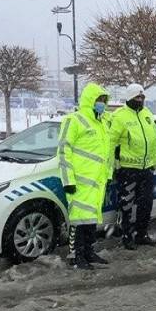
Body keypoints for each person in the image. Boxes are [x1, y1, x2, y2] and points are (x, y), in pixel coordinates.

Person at [57, 83, 113, 269]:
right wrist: (68, 180)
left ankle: (88, 252)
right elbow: (63, 151)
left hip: (97, 183)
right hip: (79, 182)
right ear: (90, 100)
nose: (102, 104)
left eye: (104, 100)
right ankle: (76, 256)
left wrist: (108, 175)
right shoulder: (74, 120)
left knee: (91, 221)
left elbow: (107, 153)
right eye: (99, 100)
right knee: (79, 221)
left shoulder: (103, 123)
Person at [109, 83, 156, 250]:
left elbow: (154, 140)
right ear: (130, 98)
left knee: (146, 204)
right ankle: (126, 236)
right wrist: (114, 166)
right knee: (127, 205)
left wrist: (154, 162)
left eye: (142, 97)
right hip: (128, 169)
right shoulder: (119, 116)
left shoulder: (147, 114)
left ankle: (142, 234)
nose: (141, 100)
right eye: (138, 97)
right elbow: (111, 143)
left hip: (146, 169)